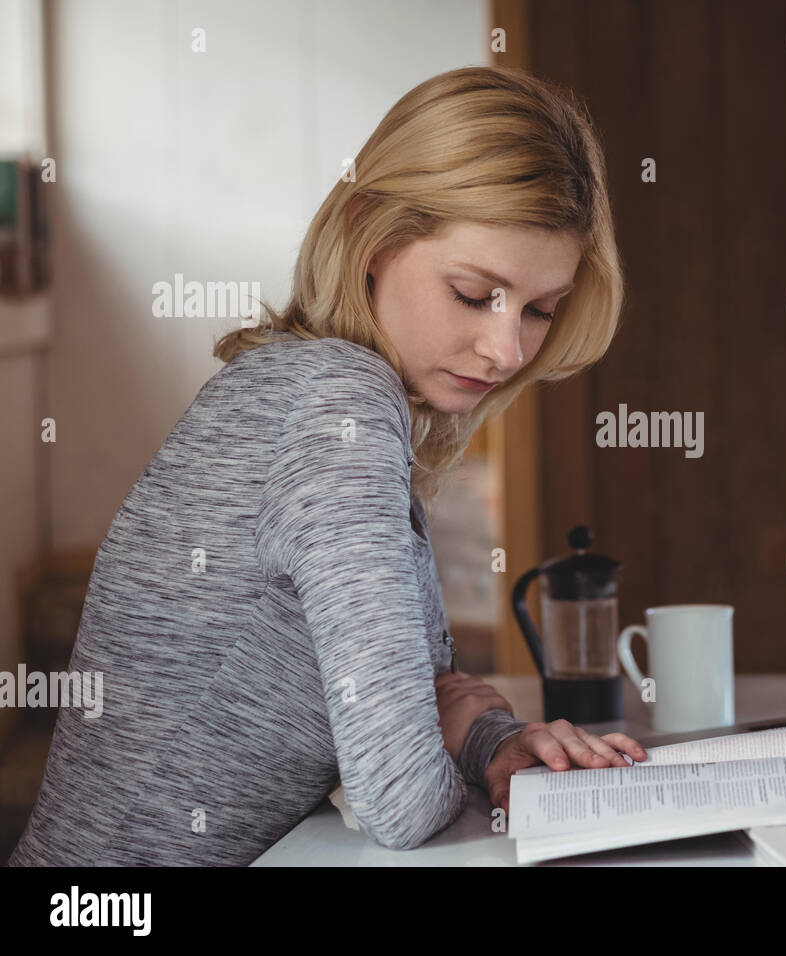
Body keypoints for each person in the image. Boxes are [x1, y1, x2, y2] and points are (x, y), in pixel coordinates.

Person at [7, 66, 645, 866]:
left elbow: (424, 700)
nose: (507, 347)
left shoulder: (307, 387)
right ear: (370, 236)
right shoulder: (337, 403)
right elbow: (399, 798)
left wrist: (491, 739)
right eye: (475, 293)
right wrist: (446, 732)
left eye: (540, 309)